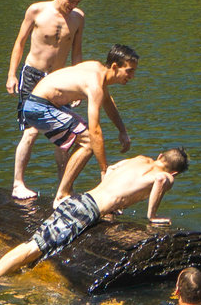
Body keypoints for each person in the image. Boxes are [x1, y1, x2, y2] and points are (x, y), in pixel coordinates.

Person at [0, 147, 189, 281]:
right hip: (87, 211)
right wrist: (151, 216)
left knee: (35, 244)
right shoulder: (165, 176)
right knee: (35, 248)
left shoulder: (140, 159)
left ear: (160, 155)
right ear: (175, 173)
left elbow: (112, 169)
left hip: (81, 200)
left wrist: (113, 199)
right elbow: (161, 181)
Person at [5, 0, 87, 201]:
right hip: (33, 75)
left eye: (77, 2)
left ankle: (64, 188)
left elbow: (76, 53)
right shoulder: (37, 10)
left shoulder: (78, 18)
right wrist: (12, 75)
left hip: (59, 80)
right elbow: (20, 42)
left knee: (66, 135)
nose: (73, 6)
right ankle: (18, 184)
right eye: (70, 1)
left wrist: (78, 85)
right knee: (30, 132)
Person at [33, 46, 140, 201]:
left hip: (47, 105)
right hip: (39, 107)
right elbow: (95, 130)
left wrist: (122, 130)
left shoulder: (96, 68)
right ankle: (62, 194)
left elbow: (108, 103)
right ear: (115, 67)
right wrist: (104, 170)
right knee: (89, 141)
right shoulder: (96, 85)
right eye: (129, 71)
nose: (132, 76)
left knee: (79, 136)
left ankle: (65, 190)